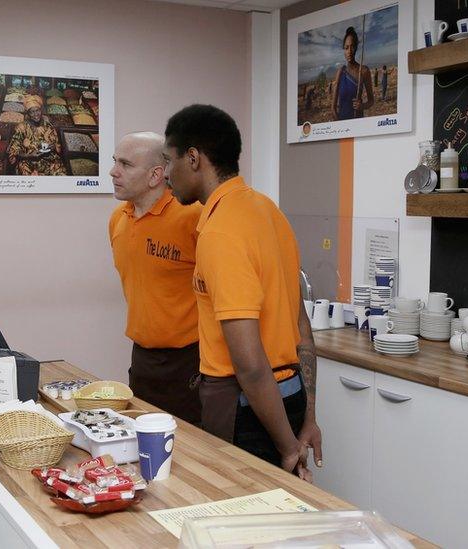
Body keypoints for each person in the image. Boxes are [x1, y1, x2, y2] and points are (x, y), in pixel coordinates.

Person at [162, 104, 322, 480]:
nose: (166, 174)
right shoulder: (268, 210)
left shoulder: (221, 233)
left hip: (248, 409)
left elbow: (249, 363)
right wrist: (308, 417)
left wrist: (286, 449)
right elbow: (302, 325)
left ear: (194, 158)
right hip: (291, 396)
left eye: (168, 161)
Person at [108, 132, 202, 425]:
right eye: (115, 162)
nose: (113, 171)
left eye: (125, 164)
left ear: (156, 175)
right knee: (142, 443)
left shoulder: (193, 216)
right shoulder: (117, 220)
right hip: (143, 360)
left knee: (193, 452)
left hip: (192, 360)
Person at [7, 94, 66, 176]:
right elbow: (14, 151)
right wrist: (29, 156)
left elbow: (56, 144)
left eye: (37, 110)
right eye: (32, 112)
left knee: (61, 174)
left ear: (41, 110)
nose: (36, 114)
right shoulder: (22, 127)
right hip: (28, 161)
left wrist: (53, 147)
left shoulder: (48, 125)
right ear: (28, 114)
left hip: (48, 159)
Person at [331, 26, 374, 120]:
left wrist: (362, 106)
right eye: (346, 48)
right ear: (343, 50)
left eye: (352, 47)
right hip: (342, 122)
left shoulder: (363, 71)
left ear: (356, 48)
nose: (349, 51)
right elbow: (333, 108)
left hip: (357, 121)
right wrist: (339, 124)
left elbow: (371, 101)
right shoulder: (341, 72)